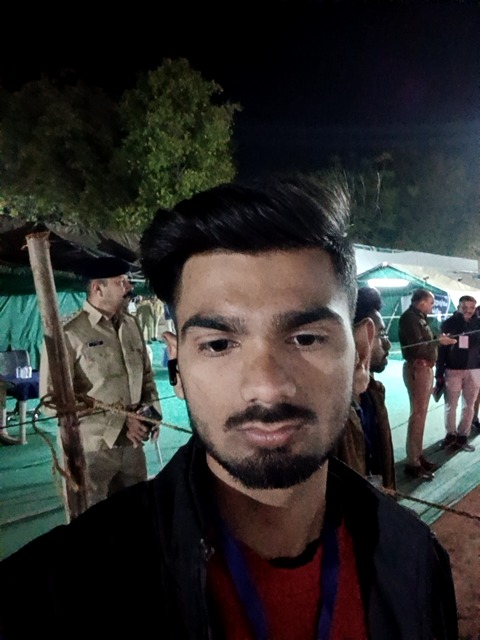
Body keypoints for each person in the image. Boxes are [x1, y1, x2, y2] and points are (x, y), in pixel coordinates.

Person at [0, 178, 457, 639]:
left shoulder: (415, 565)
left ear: (360, 356)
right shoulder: (51, 601)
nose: (266, 388)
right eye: (218, 344)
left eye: (305, 338)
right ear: (178, 366)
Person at [39, 256, 162, 508]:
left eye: (127, 281)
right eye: (121, 282)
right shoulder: (68, 333)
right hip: (91, 450)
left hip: (133, 445)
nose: (129, 287)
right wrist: (120, 421)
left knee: (137, 518)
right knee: (92, 525)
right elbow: (52, 402)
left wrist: (151, 415)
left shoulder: (131, 325)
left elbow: (146, 378)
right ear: (98, 288)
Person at [334, 286, 396, 490]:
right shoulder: (330, 414)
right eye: (381, 334)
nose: (388, 345)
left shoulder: (374, 393)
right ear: (363, 338)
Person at [398, 288, 456, 481]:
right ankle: (413, 462)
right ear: (421, 302)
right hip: (418, 368)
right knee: (418, 415)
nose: (432, 307)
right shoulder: (409, 319)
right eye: (431, 303)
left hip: (424, 368)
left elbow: (425, 341)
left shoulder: (418, 317)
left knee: (420, 415)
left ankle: (417, 456)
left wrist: (437, 340)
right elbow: (417, 347)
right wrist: (439, 341)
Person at [436, 295, 480, 452]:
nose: (468, 311)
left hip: (474, 370)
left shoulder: (478, 323)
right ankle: (450, 435)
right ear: (458, 307)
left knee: (469, 405)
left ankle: (463, 437)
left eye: (471, 307)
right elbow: (442, 350)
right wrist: (439, 373)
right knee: (451, 405)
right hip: (453, 369)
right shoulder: (448, 323)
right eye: (465, 307)